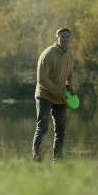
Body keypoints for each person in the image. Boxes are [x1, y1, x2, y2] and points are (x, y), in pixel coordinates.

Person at [32, 28, 75, 162]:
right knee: (42, 127)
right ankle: (36, 158)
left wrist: (70, 86)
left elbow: (70, 74)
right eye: (62, 37)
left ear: (70, 39)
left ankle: (58, 159)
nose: (65, 39)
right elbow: (42, 79)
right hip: (44, 95)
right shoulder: (48, 54)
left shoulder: (70, 54)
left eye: (67, 37)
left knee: (61, 131)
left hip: (61, 97)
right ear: (56, 38)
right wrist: (58, 92)